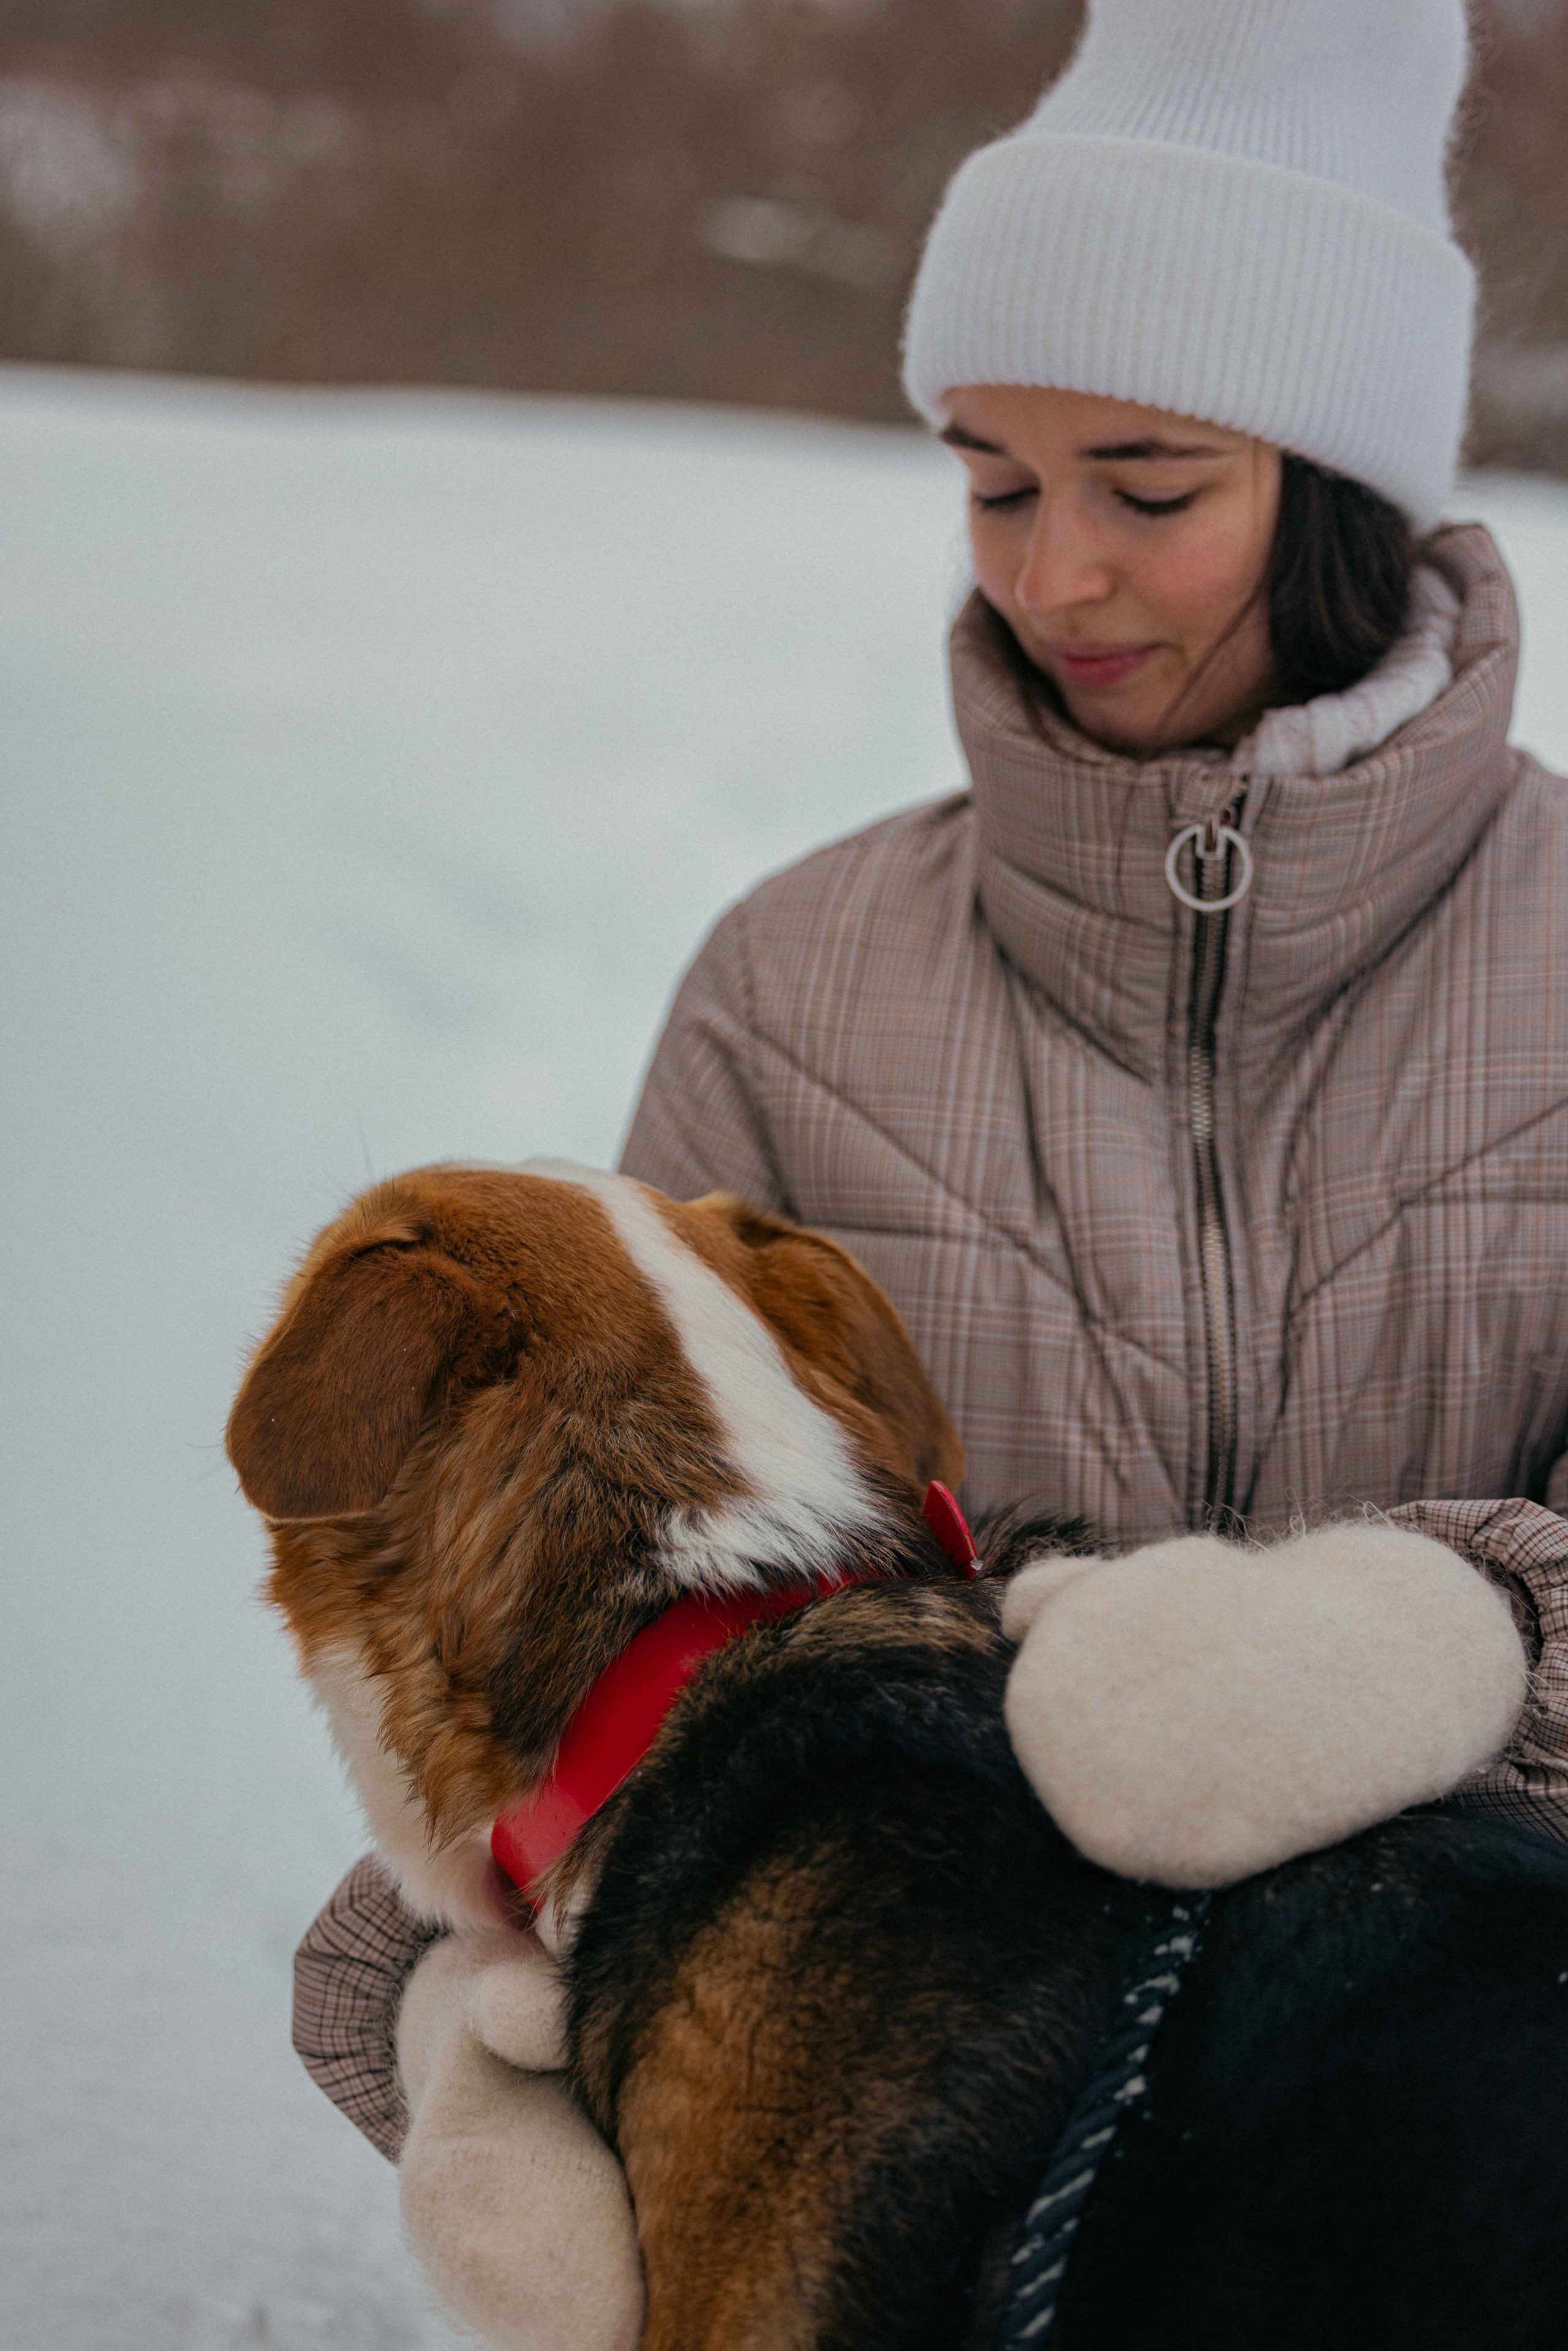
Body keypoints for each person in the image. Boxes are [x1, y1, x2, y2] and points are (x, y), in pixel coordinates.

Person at [287, 3, 1568, 2342]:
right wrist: (445, 1989)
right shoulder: (797, 984)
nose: (1060, 570)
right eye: (994, 479)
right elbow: (590, 1606)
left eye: (1150, 485)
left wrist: (1428, 1634)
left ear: (1343, 480)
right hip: (956, 2193)